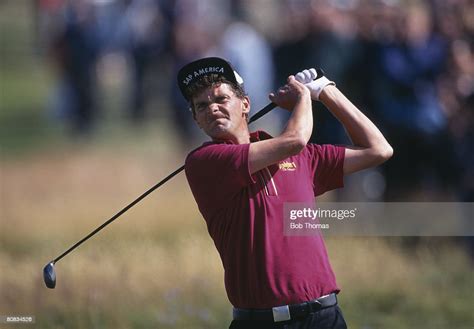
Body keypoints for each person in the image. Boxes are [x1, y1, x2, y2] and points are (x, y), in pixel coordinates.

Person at [178, 57, 393, 329]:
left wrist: (325, 90)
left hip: (324, 317)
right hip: (259, 322)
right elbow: (295, 139)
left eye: (221, 98)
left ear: (245, 105)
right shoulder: (205, 161)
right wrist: (304, 96)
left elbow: (379, 149)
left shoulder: (303, 159)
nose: (213, 109)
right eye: (202, 106)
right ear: (196, 119)